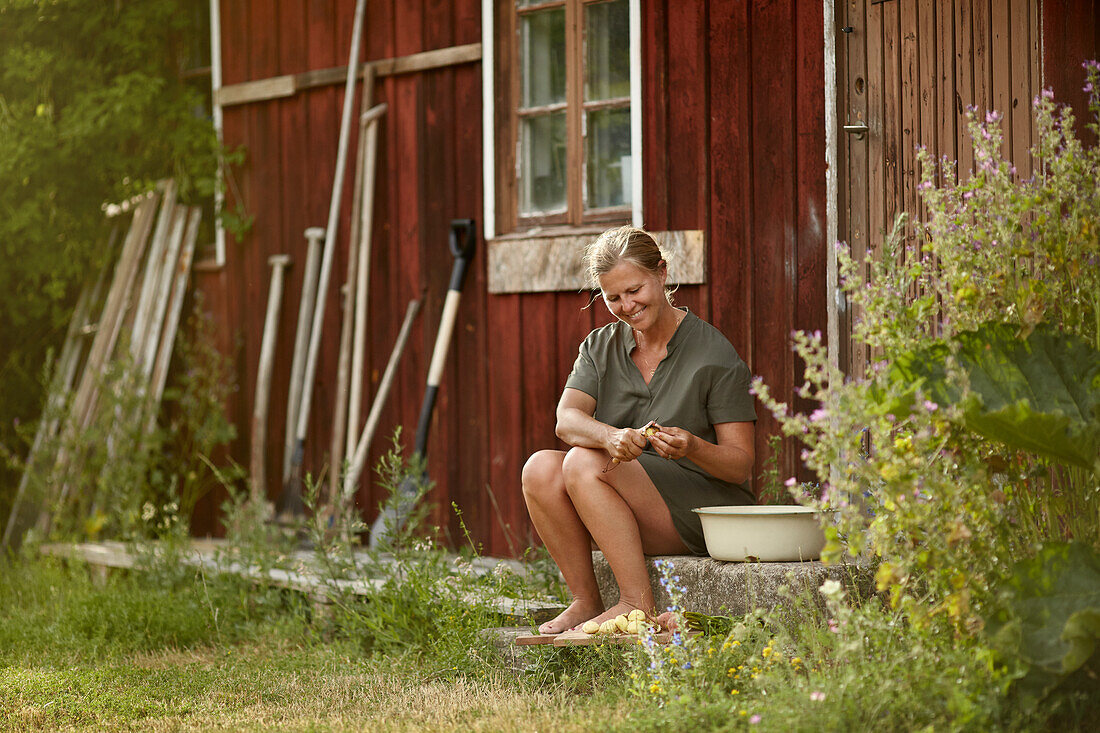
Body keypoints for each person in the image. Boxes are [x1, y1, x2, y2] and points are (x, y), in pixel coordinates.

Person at [522, 225, 757, 635]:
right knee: (539, 468)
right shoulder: (600, 346)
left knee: (582, 463)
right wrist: (610, 436)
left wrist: (693, 446)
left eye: (635, 290)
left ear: (661, 274)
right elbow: (567, 419)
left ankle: (636, 604)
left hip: (695, 516)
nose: (627, 305)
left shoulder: (713, 354)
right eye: (613, 297)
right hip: (624, 506)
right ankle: (585, 600)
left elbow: (739, 467)